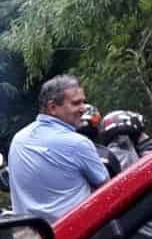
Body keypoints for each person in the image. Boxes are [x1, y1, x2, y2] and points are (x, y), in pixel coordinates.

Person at [8, 75, 110, 222]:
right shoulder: (78, 144)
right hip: (77, 235)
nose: (83, 109)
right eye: (76, 103)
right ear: (53, 108)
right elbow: (108, 190)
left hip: (33, 236)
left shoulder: (19, 139)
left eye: (83, 102)